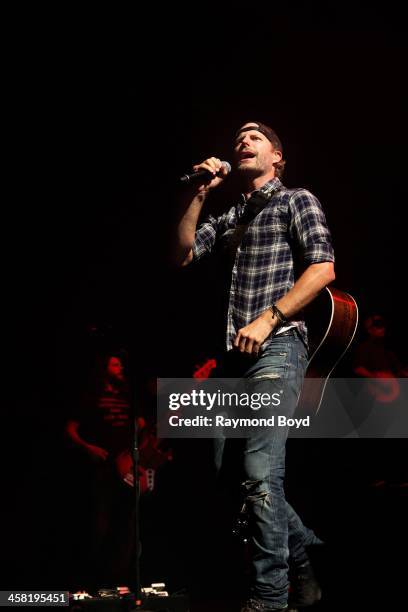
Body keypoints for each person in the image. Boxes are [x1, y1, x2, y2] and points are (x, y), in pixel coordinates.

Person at [174, 121, 336, 611]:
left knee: (260, 473)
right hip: (232, 357)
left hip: (277, 345)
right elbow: (181, 255)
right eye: (238, 137)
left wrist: (269, 320)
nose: (242, 141)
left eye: (255, 137)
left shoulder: (296, 199)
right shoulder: (231, 217)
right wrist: (200, 194)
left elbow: (324, 267)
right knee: (232, 477)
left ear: (278, 156)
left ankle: (269, 596)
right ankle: (304, 551)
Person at [66, 354, 137, 589]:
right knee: (99, 525)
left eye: (121, 364)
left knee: (125, 527)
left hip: (125, 470)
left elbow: (142, 426)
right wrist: (88, 448)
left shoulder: (126, 395)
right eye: (115, 364)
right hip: (101, 470)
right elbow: (71, 429)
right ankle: (89, 583)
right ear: (104, 368)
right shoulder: (92, 396)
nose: (121, 368)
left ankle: (116, 583)